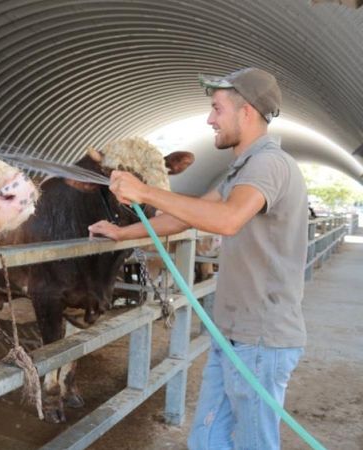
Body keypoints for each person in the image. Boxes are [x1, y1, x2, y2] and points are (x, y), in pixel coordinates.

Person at [88, 67, 308, 450]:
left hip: (261, 338)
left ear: (246, 112)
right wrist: (123, 232)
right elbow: (187, 214)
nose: (209, 119)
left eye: (217, 109)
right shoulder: (240, 169)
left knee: (254, 444)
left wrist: (146, 192)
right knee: (207, 440)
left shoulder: (269, 164)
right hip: (233, 334)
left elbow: (227, 220)